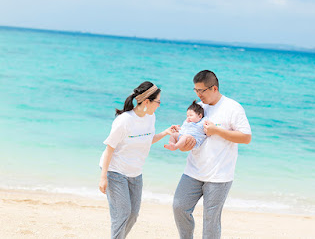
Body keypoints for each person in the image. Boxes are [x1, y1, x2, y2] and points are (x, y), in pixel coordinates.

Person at [173, 70, 252, 239]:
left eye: (202, 91)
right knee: (179, 207)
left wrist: (217, 130)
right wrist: (184, 145)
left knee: (211, 221)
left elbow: (246, 137)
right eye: (196, 90)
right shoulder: (198, 108)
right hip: (193, 171)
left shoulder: (233, 108)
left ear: (214, 88)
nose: (198, 94)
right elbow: (186, 138)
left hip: (219, 176)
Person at [99, 81, 174, 239]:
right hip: (115, 171)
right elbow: (109, 149)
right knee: (122, 214)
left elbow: (146, 140)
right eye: (158, 101)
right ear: (147, 102)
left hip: (135, 173)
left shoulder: (150, 118)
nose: (159, 105)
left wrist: (165, 133)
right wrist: (103, 177)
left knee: (132, 215)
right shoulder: (124, 121)